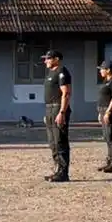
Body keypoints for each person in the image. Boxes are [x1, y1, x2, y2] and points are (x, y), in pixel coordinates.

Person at [42, 50, 73, 182]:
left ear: (56, 59)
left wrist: (62, 112)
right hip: (50, 108)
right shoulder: (51, 73)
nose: (45, 61)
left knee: (60, 141)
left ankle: (63, 173)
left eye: (48, 58)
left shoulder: (62, 72)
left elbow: (66, 93)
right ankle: (56, 169)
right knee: (52, 142)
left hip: (57, 108)